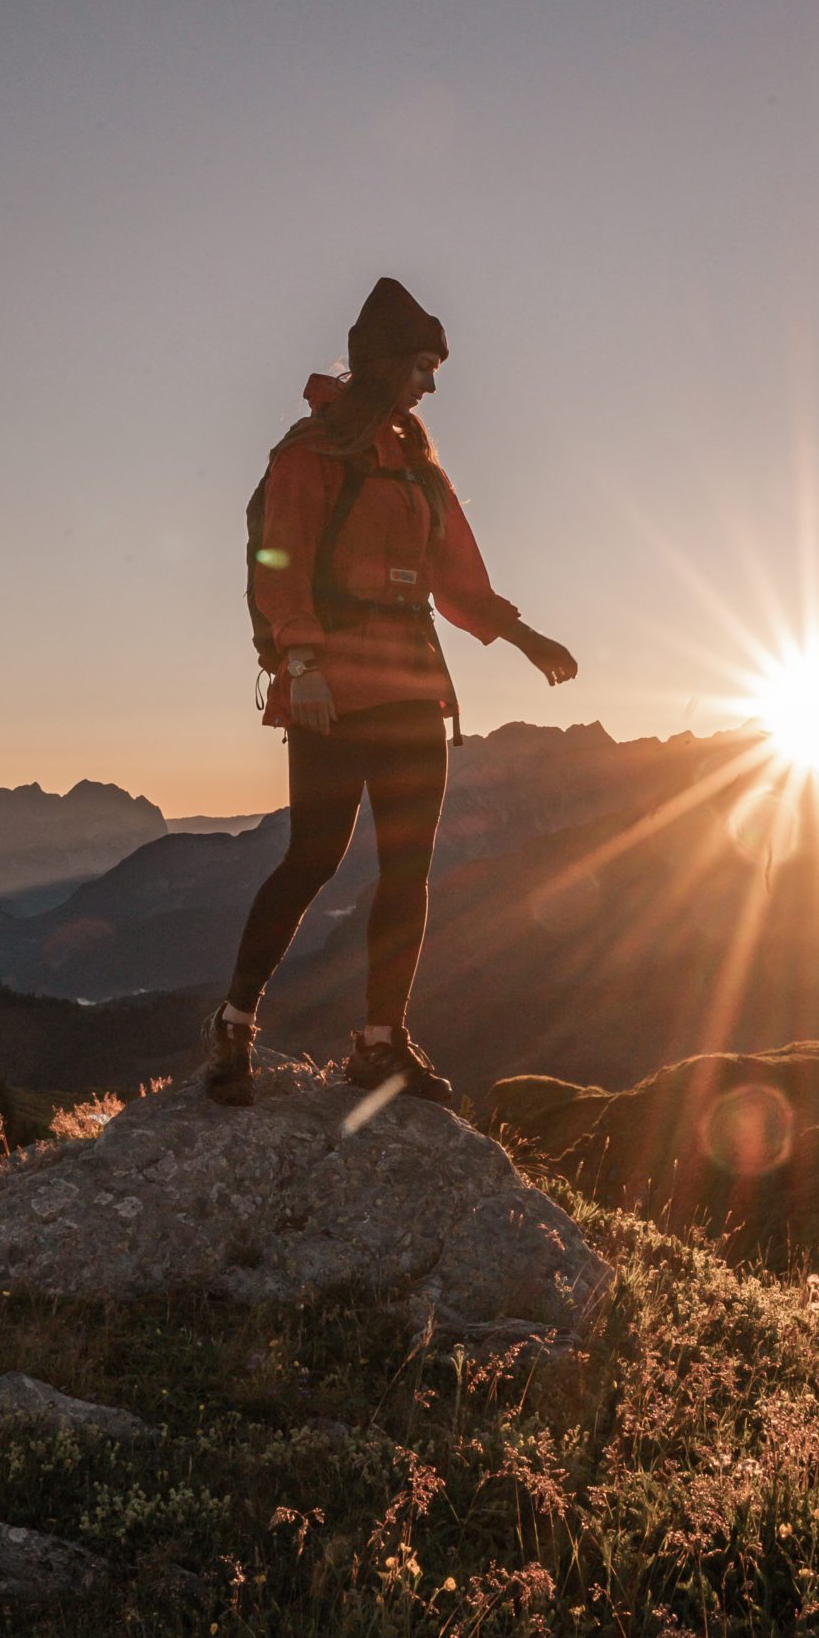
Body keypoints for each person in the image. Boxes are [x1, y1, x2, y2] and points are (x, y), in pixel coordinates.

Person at [204, 276, 578, 1108]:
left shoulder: (415, 466)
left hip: (411, 686)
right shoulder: (310, 454)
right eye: (420, 364)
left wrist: (524, 638)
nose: (431, 383)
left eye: (435, 368)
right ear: (379, 364)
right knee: (313, 859)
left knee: (407, 871)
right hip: (331, 688)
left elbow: (457, 578)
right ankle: (232, 1027)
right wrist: (298, 667)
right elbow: (281, 561)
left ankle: (381, 1043)